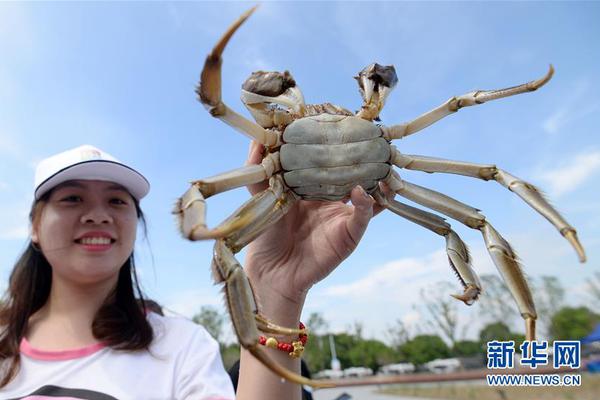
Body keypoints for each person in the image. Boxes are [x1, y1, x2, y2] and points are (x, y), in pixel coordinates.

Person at [0, 142, 378, 399]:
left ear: (137, 224)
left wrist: (278, 292)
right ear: (34, 225)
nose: (98, 214)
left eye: (116, 200)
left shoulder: (181, 346)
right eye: (72, 198)